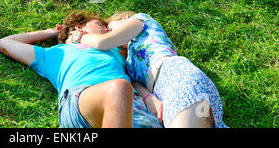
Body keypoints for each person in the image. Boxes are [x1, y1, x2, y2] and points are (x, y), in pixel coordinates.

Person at [0, 11, 163, 128]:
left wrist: (147, 96)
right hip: (83, 102)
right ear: (79, 27)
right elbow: (5, 44)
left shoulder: (118, 52)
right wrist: (51, 32)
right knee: (119, 88)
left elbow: (132, 78)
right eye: (101, 25)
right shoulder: (56, 53)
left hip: (132, 107)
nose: (107, 29)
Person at [67, 10, 228, 128]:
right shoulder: (129, 59)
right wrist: (149, 98)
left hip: (177, 78)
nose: (108, 30)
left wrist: (78, 37)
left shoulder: (140, 20)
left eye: (110, 26)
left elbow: (104, 42)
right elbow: (133, 85)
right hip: (168, 97)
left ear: (124, 18)